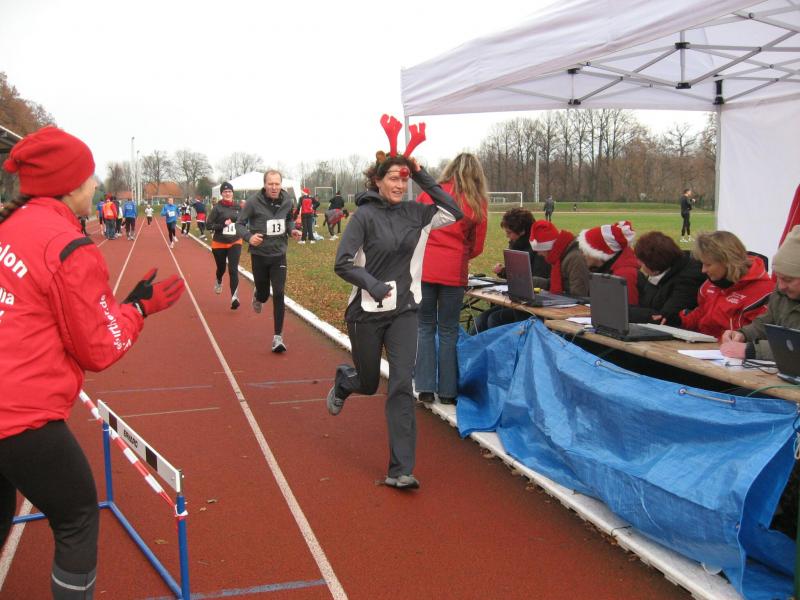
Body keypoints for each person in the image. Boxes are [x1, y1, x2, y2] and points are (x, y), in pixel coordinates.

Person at [0, 125, 185, 600]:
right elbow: (98, 348)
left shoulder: (9, 227)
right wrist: (138, 309)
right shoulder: (67, 245)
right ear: (67, 185)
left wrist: (121, 305)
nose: (95, 185)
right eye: (88, 177)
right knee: (78, 516)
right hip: (19, 413)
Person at [326, 115, 464, 491]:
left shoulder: (418, 214)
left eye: (404, 179)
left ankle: (400, 469)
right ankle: (345, 382)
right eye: (394, 178)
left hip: (404, 310)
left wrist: (422, 174)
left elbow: (454, 211)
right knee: (369, 382)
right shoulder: (363, 217)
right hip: (366, 313)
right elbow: (342, 263)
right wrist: (371, 284)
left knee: (402, 384)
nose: (400, 185)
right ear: (377, 180)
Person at [415, 152, 488, 406]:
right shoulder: (476, 201)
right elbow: (477, 245)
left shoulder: (429, 194)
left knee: (425, 327)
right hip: (453, 271)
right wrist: (459, 253)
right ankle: (448, 391)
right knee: (448, 330)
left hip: (425, 268)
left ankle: (425, 387)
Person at [236, 170, 302, 351]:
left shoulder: (287, 200)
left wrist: (292, 230)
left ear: (281, 184)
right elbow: (239, 224)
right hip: (259, 255)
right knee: (264, 295)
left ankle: (277, 338)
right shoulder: (253, 202)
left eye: (277, 184)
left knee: (279, 292)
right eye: (270, 184)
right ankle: (259, 294)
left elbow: (288, 220)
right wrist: (249, 237)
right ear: (264, 184)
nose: (274, 187)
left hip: (278, 254)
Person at [672, 230, 773, 338]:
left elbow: (759, 332)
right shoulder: (710, 284)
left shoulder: (763, 292)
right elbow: (701, 315)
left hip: (731, 347)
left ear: (728, 262)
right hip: (705, 345)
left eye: (708, 264)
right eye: (702, 264)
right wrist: (677, 320)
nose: (703, 270)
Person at [720, 225, 800, 359]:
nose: (781, 286)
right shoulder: (782, 293)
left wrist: (752, 350)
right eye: (778, 278)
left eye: (788, 280)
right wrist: (743, 334)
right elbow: (766, 323)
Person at [472, 208, 551, 332]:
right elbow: (519, 276)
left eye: (509, 232)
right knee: (480, 320)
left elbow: (538, 282)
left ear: (522, 231)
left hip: (532, 306)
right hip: (517, 300)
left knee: (494, 319)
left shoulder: (539, 251)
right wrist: (503, 271)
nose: (507, 236)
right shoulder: (516, 244)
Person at [629, 230, 705, 324]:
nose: (639, 264)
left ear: (654, 264)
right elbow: (646, 305)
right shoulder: (660, 272)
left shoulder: (688, 280)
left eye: (642, 262)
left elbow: (664, 318)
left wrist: (628, 313)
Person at [576, 220, 640, 304]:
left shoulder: (625, 275)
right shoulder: (603, 269)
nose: (582, 254)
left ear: (599, 252)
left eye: (586, 250)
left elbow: (627, 309)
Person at [529, 220, 591, 297]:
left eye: (539, 250)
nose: (539, 254)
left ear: (548, 247)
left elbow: (579, 295)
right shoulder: (558, 254)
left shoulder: (574, 259)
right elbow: (559, 283)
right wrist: (532, 281)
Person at [206, 182, 243, 309]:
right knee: (221, 269)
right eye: (225, 192)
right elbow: (208, 225)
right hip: (219, 243)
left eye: (230, 191)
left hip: (235, 242)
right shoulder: (217, 208)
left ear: (233, 193)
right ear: (222, 194)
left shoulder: (238, 207)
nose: (228, 193)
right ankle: (219, 280)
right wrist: (222, 225)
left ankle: (234, 297)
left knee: (233, 269)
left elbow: (243, 222)